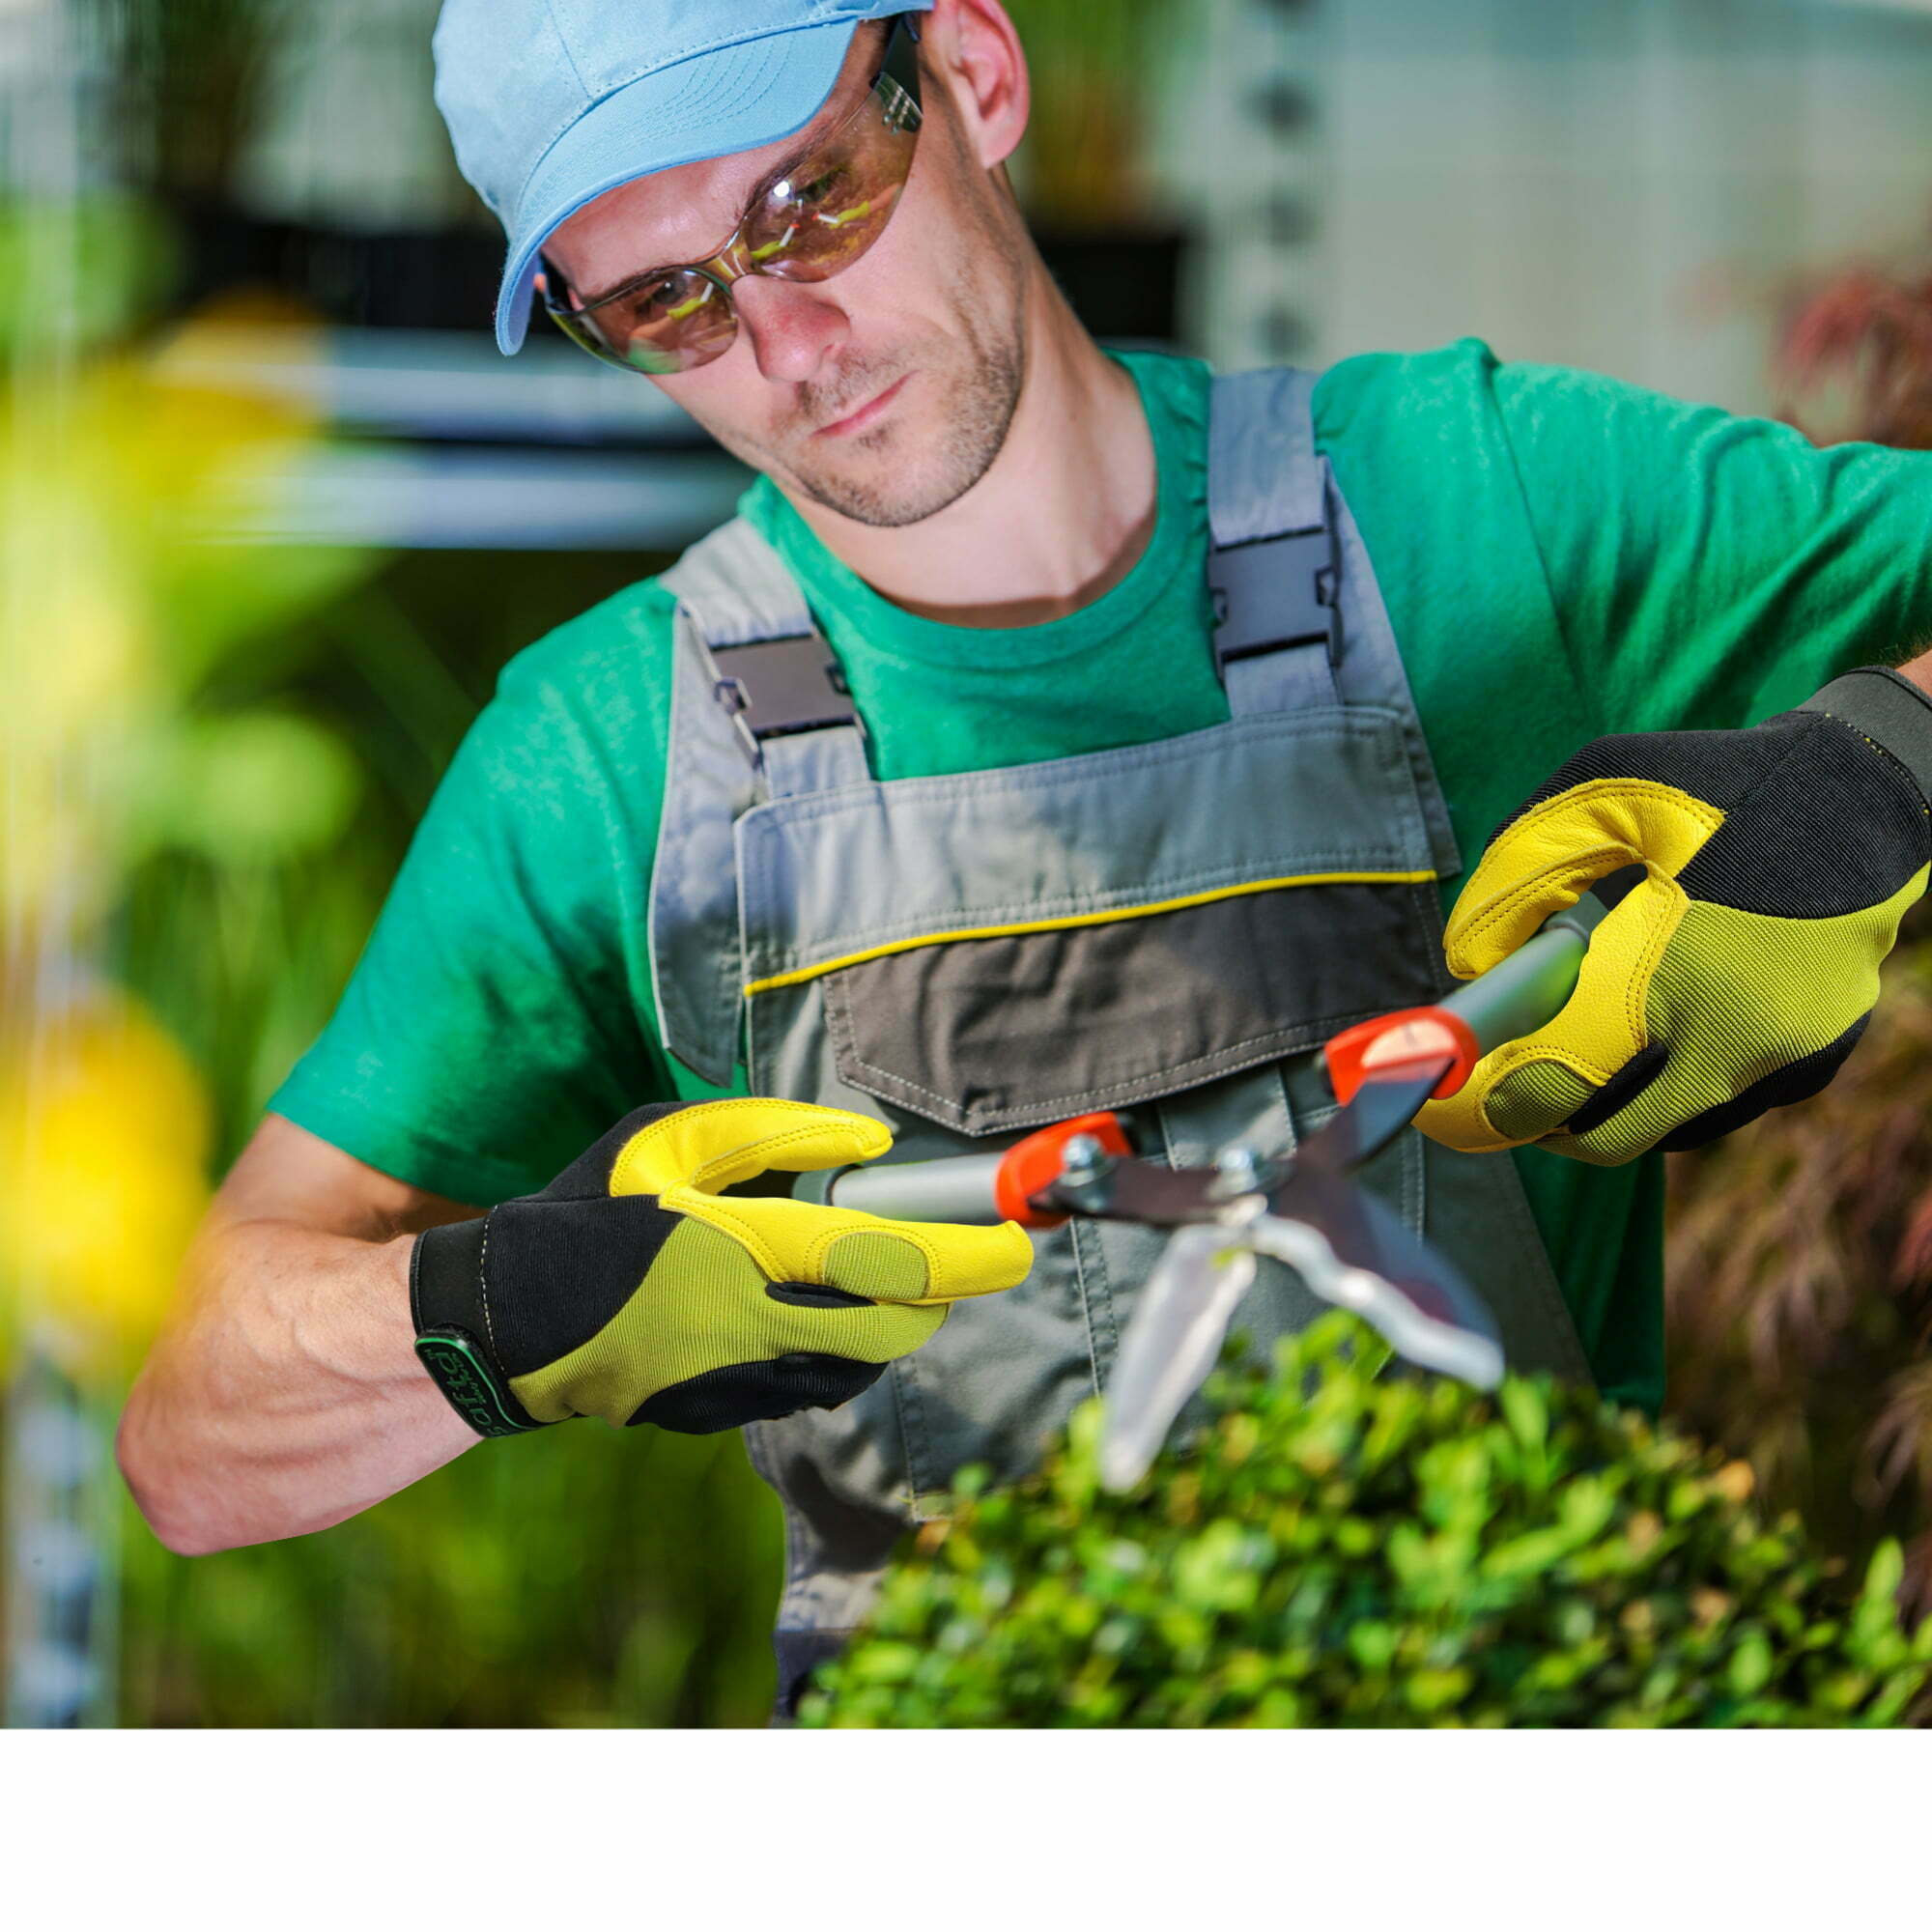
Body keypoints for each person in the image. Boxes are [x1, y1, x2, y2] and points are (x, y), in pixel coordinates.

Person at [118, 0, 1932, 1711]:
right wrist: (511, 1310)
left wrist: (1872, 781)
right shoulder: (607, 756)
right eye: (669, 302)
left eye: (808, 204)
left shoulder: (1473, 506)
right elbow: (191, 1438)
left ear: (975, 75)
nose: (788, 347)